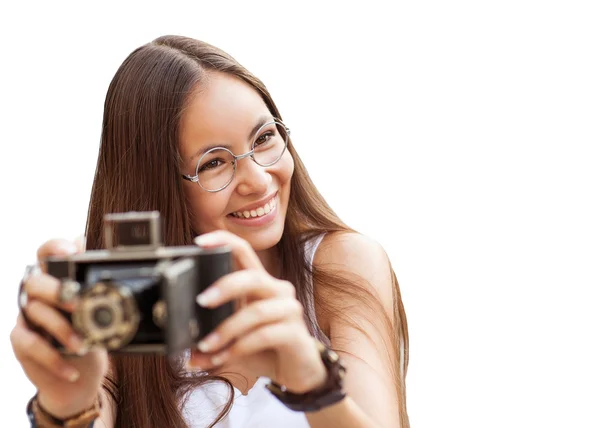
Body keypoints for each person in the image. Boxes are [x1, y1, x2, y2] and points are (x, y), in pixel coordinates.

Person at [10, 35, 410, 428]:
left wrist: (312, 382)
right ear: (160, 189)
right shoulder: (120, 305)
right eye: (213, 164)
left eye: (265, 138)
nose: (257, 179)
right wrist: (65, 409)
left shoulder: (342, 265)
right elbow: (83, 404)